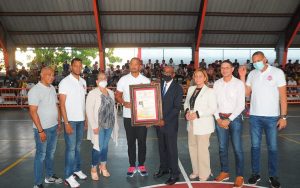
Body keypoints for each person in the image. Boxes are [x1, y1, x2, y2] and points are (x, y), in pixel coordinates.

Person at [239, 51, 287, 188]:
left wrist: (283, 116)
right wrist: (242, 76)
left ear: (265, 59)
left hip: (272, 117)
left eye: (258, 60)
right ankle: (255, 174)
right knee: (255, 147)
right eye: (254, 61)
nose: (256, 63)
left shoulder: (277, 73)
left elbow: (283, 97)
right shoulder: (252, 74)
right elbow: (246, 93)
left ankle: (273, 176)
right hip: (255, 117)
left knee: (272, 147)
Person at [115, 57, 151, 177]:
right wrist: (124, 103)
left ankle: (141, 164)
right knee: (130, 142)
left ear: (140, 66)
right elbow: (118, 95)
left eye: (136, 64)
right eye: (132, 64)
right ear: (129, 66)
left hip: (142, 116)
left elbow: (150, 100)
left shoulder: (146, 80)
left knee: (142, 142)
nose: (134, 66)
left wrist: (149, 118)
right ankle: (131, 165)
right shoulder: (123, 80)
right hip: (127, 116)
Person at [28, 67, 63, 188]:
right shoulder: (35, 91)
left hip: (53, 127)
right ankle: (37, 183)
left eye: (53, 75)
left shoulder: (52, 88)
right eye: (49, 75)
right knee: (41, 155)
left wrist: (59, 122)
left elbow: (56, 105)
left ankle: (49, 176)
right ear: (42, 75)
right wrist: (40, 130)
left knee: (51, 153)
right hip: (42, 129)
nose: (52, 77)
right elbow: (33, 112)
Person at [213, 60, 245, 188]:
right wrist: (218, 119)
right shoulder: (216, 84)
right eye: (222, 68)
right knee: (222, 148)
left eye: (227, 68)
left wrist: (229, 119)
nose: (224, 70)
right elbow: (213, 103)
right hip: (220, 118)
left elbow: (241, 105)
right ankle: (225, 172)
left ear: (232, 69)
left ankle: (239, 176)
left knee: (237, 148)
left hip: (235, 119)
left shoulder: (238, 84)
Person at [184, 69, 217, 182]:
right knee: (192, 147)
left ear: (205, 78)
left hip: (203, 124)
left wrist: (197, 114)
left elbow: (212, 108)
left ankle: (205, 173)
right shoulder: (191, 89)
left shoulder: (210, 91)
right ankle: (196, 171)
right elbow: (186, 103)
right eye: (196, 76)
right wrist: (187, 112)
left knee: (202, 150)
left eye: (200, 76)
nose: (197, 78)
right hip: (191, 123)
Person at [59, 58, 88, 188]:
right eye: (75, 66)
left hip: (81, 120)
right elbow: (62, 104)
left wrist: (85, 119)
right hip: (70, 120)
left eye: (79, 66)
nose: (77, 68)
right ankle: (68, 176)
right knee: (70, 149)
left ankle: (76, 169)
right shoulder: (64, 82)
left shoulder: (83, 82)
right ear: (71, 67)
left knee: (77, 147)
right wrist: (66, 123)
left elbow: (83, 102)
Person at [153, 66, 183, 185]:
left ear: (173, 74)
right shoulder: (157, 85)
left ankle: (175, 174)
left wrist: (164, 120)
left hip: (169, 124)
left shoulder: (178, 88)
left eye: (168, 73)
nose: (165, 74)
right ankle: (164, 168)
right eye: (164, 72)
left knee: (171, 149)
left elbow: (176, 108)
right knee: (162, 148)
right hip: (158, 124)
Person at [86, 72, 119, 181]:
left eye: (105, 78)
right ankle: (94, 168)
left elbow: (113, 108)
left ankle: (103, 165)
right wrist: (94, 126)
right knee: (97, 147)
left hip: (109, 125)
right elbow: (89, 111)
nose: (103, 79)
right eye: (100, 78)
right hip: (98, 126)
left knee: (105, 146)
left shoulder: (110, 92)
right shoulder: (92, 93)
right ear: (96, 81)